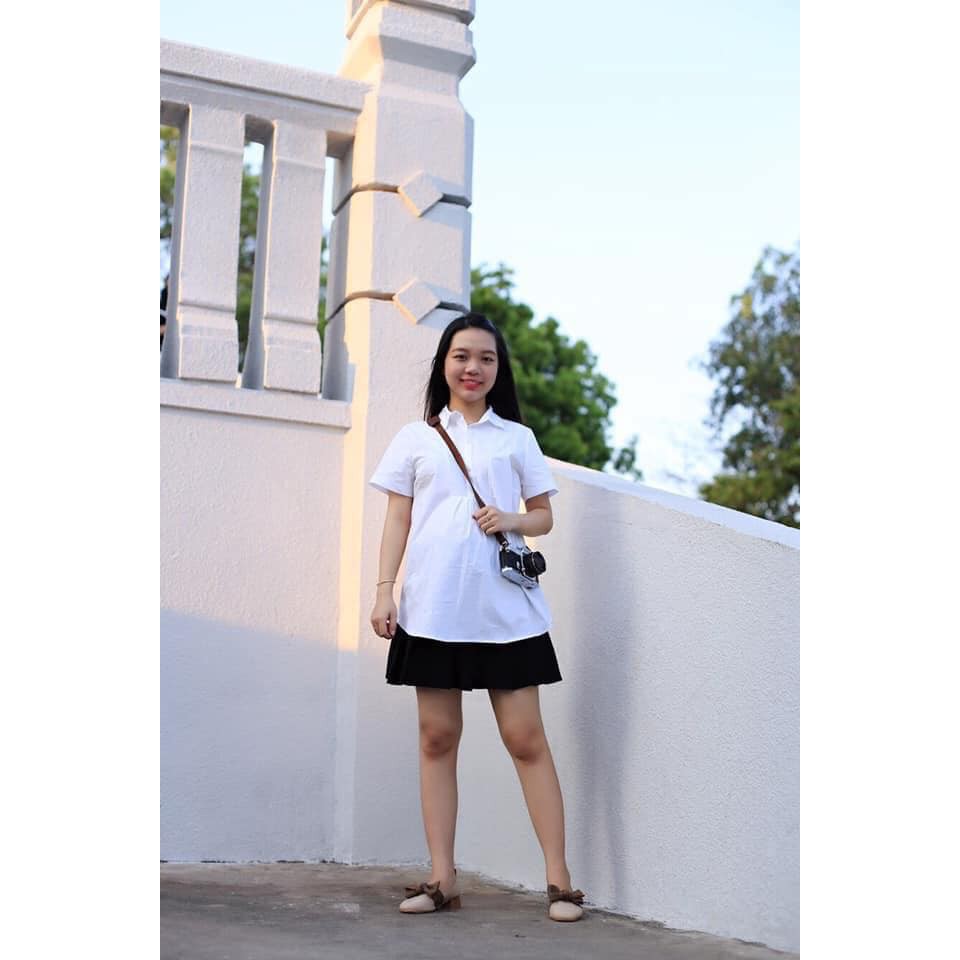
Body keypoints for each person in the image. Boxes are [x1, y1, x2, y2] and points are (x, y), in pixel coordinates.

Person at [368, 312, 586, 922]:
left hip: (505, 614)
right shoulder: (416, 438)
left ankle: (560, 881)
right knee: (436, 738)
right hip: (432, 610)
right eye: (462, 356)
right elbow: (397, 519)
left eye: (486, 358)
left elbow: (542, 515)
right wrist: (384, 591)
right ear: (444, 363)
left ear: (498, 369)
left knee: (525, 739)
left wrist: (511, 519)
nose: (473, 367)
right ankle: (442, 878)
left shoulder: (516, 438)